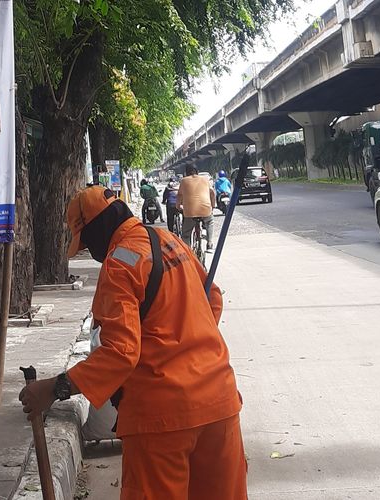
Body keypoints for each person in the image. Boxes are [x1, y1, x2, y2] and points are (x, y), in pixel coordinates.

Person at [18, 185, 246, 499]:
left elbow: (121, 353)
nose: (90, 252)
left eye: (86, 243)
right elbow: (213, 299)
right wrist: (186, 342)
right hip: (219, 402)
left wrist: (54, 388)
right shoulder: (170, 241)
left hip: (161, 419)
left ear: (97, 229)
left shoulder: (119, 264)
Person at [178, 165, 215, 249]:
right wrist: (213, 206)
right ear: (197, 172)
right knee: (209, 222)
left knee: (186, 234)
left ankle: (188, 251)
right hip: (205, 210)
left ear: (186, 173)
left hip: (190, 213)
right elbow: (212, 193)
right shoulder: (205, 179)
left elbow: (179, 195)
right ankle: (209, 243)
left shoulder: (183, 181)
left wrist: (178, 206)